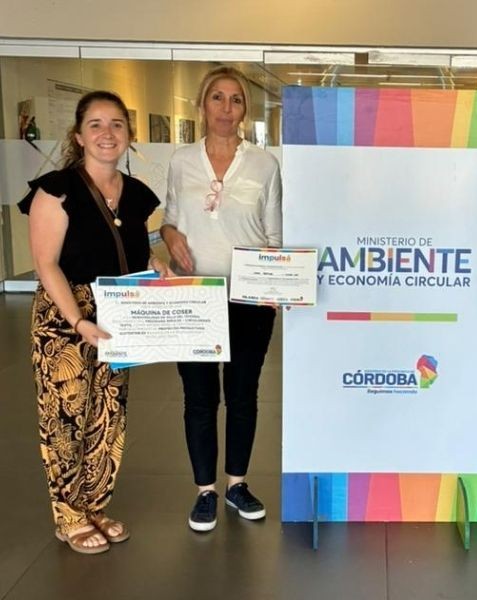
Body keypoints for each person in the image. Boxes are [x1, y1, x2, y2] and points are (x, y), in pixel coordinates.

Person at [18, 90, 168, 554]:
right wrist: (78, 320)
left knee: (108, 412)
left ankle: (94, 505)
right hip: (66, 316)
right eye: (96, 124)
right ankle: (69, 516)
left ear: (129, 134)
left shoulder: (137, 193)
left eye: (117, 124)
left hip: (119, 312)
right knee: (65, 416)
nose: (108, 133)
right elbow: (46, 264)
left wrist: (156, 263)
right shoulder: (56, 190)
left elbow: (132, 247)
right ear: (79, 135)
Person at [160, 66, 282, 532]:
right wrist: (169, 235)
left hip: (249, 300)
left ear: (244, 109)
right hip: (194, 296)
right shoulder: (181, 161)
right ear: (202, 105)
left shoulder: (265, 165)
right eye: (217, 97)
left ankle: (236, 484)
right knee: (199, 398)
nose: (226, 108)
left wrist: (276, 284)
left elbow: (274, 235)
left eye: (235, 99)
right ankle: (205, 492)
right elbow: (170, 218)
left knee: (243, 395)